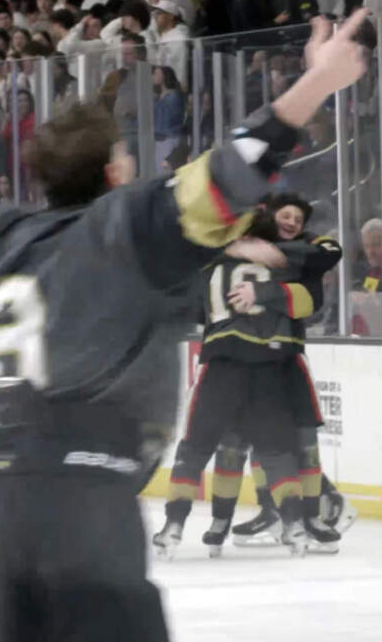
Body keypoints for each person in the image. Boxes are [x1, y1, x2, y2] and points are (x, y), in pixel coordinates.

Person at [0, 10, 368, 641]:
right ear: (114, 173)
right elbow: (229, 173)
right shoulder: (126, 228)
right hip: (80, 505)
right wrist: (318, 84)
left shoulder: (4, 236)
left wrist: (220, 253)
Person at [152, 203, 342, 557]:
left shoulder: (208, 263)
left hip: (223, 362)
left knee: (195, 448)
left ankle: (174, 525)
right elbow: (311, 298)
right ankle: (295, 524)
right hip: (269, 365)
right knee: (277, 452)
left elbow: (185, 301)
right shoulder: (282, 265)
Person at [212, 194, 359, 546]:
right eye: (285, 215)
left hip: (285, 358)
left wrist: (265, 263)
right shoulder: (241, 246)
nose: (291, 221)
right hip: (248, 357)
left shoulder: (308, 250)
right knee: (258, 437)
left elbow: (330, 254)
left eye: (298, 217)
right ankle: (273, 508)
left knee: (294, 438)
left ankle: (324, 503)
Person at [153, 65, 185, 170]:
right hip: (159, 141)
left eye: (157, 74)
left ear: (164, 76)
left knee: (166, 171)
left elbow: (166, 120)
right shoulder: (159, 96)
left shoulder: (172, 96)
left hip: (169, 140)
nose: (153, 77)